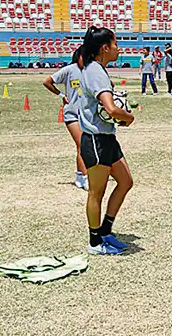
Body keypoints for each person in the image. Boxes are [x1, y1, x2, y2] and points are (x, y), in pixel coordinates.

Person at [77, 26, 135, 255]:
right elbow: (110, 108)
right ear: (104, 48)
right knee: (96, 192)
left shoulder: (97, 69)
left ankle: (105, 231)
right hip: (95, 140)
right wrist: (128, 117)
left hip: (107, 138)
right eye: (115, 44)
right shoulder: (95, 72)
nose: (119, 49)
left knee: (126, 181)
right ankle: (94, 242)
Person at [43, 47, 88, 190]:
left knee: (83, 146)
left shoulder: (91, 71)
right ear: (78, 56)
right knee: (82, 144)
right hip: (72, 114)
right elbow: (47, 82)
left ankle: (79, 176)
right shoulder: (69, 70)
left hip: (87, 115)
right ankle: (86, 178)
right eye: (84, 56)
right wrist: (61, 95)